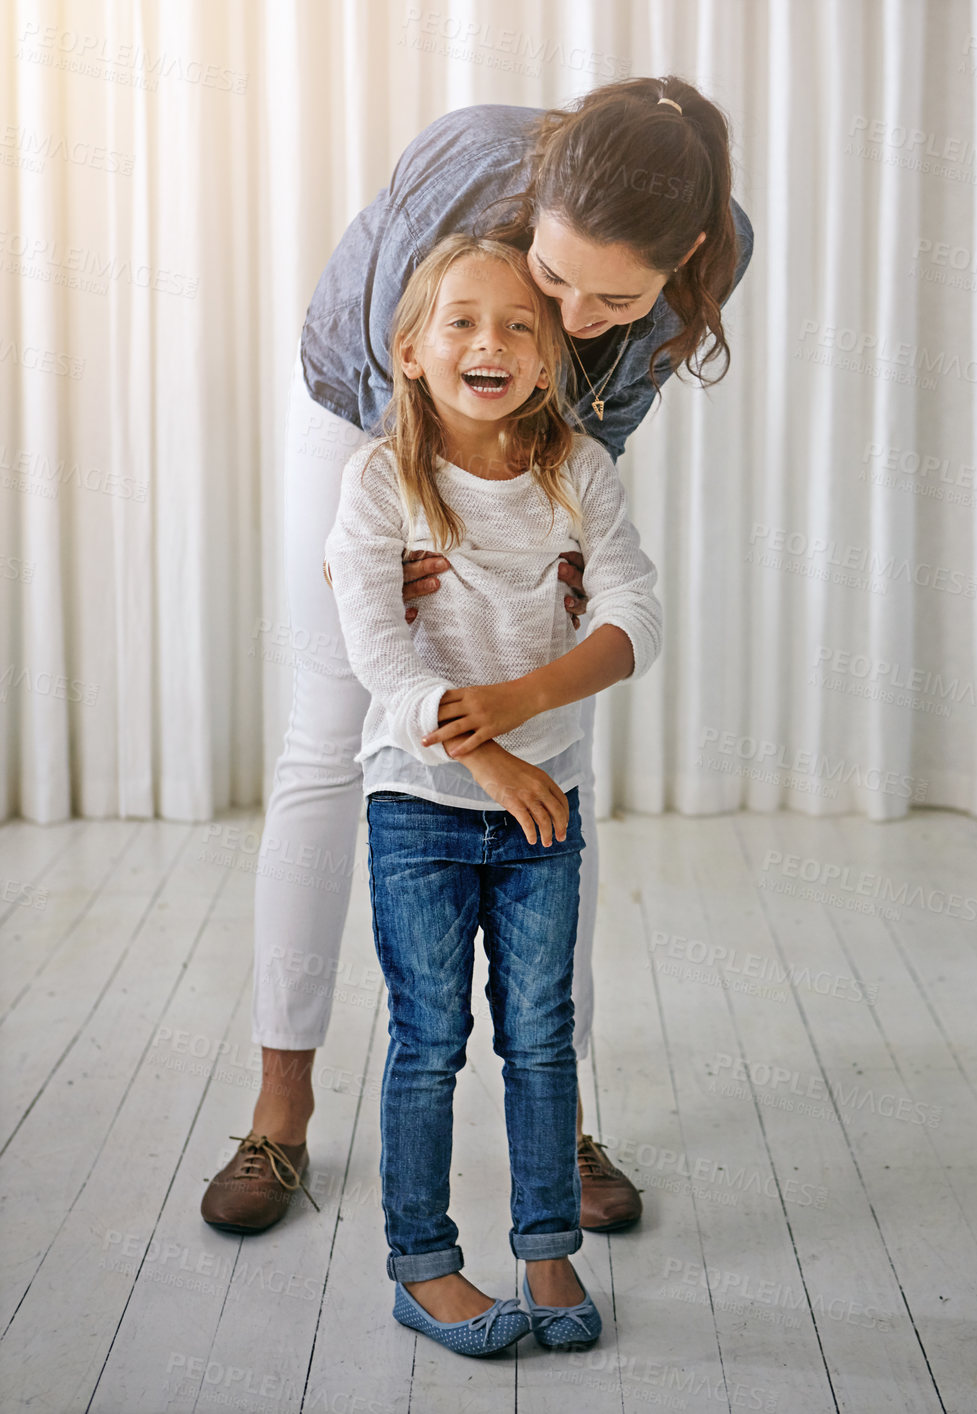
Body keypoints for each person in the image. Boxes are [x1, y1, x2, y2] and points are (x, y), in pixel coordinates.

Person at [199, 75, 752, 1237]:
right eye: (556, 277)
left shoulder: (715, 249)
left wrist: (536, 555)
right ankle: (280, 1107)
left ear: (686, 255)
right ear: (537, 199)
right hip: (372, 407)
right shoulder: (463, 162)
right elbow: (394, 390)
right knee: (329, 726)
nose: (582, 309)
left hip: (540, 424)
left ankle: (567, 1114)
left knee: (560, 752)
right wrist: (381, 548)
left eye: (618, 294)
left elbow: (592, 431)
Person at [326, 233, 661, 1355]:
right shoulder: (381, 481)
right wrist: (485, 755)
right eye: (463, 320)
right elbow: (378, 650)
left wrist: (524, 705)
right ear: (411, 350)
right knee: (427, 1039)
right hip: (418, 807)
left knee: (543, 1037)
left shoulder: (581, 473)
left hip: (544, 810)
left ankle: (546, 1247)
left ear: (553, 353)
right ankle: (423, 1268)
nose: (493, 341)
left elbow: (634, 621)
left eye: (522, 323)